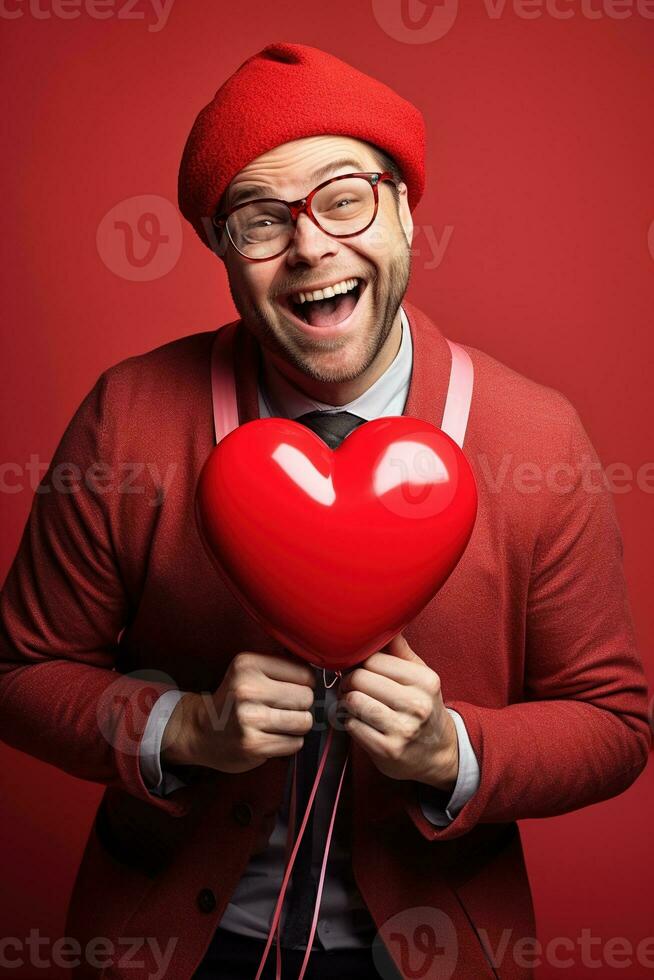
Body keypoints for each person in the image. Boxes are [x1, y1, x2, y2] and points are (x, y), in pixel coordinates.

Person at [0, 41, 650, 980]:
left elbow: (616, 724)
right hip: (174, 947)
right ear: (222, 249)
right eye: (261, 220)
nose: (311, 246)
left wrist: (453, 750)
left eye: (345, 197)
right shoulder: (129, 417)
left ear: (405, 213)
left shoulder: (537, 438)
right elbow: (20, 669)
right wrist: (178, 729)